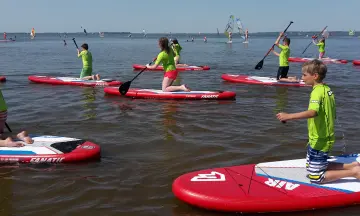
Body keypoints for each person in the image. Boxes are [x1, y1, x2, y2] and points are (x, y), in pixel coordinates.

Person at [276, 59, 360, 184]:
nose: (302, 78)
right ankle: (352, 165)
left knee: (315, 177)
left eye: (304, 75)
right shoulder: (326, 88)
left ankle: (354, 172)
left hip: (320, 139)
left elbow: (313, 112)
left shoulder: (316, 92)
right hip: (321, 136)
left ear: (315, 76)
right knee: (312, 167)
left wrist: (289, 116)